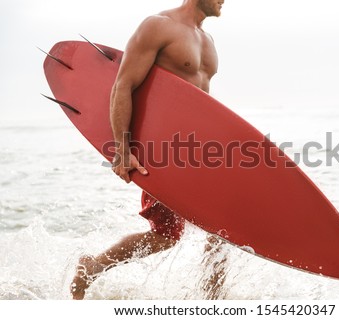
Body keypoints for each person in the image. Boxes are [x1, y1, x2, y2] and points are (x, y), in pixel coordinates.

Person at [70, 0, 227, 300]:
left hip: (197, 150)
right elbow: (123, 85)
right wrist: (122, 148)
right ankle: (92, 267)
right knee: (165, 237)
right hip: (163, 150)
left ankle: (213, 302)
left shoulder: (208, 41)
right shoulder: (158, 26)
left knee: (226, 228)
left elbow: (201, 100)